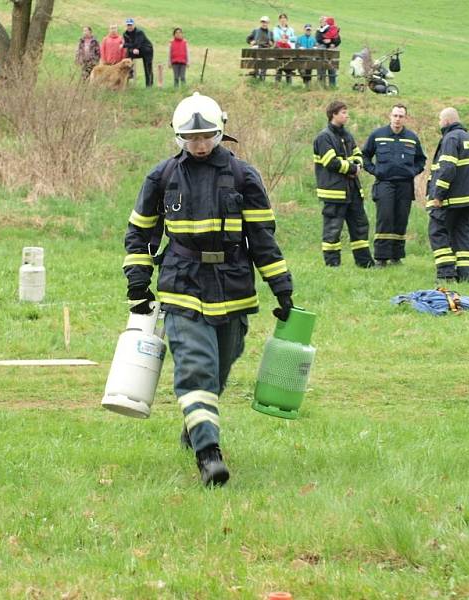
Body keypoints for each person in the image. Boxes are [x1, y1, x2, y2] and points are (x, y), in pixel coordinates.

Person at [123, 92, 293, 487]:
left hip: (233, 284)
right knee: (196, 366)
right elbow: (140, 233)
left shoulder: (243, 176)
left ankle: (196, 421)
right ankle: (209, 454)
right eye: (190, 139)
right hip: (182, 283)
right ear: (178, 137)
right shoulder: (161, 177)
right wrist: (137, 283)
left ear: (221, 133)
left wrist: (281, 287)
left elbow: (262, 237)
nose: (199, 145)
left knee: (222, 363)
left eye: (206, 137)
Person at [425, 107, 469, 283]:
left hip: (451, 199)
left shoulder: (450, 138)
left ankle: (446, 274)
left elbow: (447, 167)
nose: (439, 123)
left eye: (439, 120)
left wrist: (438, 195)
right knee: (462, 236)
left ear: (446, 121)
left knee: (437, 231)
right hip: (468, 200)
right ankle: (465, 275)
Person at [361, 104, 426, 267]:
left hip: (405, 184)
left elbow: (421, 160)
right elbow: (365, 155)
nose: (397, 119)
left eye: (401, 116)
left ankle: (396, 256)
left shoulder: (412, 137)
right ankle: (381, 258)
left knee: (401, 219)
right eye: (395, 115)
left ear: (406, 118)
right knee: (385, 218)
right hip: (385, 183)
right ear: (390, 116)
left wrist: (413, 171)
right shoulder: (378, 135)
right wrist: (374, 170)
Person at [313, 100, 373, 268]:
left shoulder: (347, 135)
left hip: (352, 191)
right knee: (333, 229)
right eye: (344, 112)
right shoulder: (324, 137)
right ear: (334, 114)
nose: (347, 115)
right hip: (334, 193)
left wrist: (356, 164)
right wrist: (353, 168)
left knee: (360, 227)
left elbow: (358, 155)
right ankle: (332, 264)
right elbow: (330, 162)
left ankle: (365, 263)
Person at [123, 18, 153, 87]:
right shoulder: (125, 34)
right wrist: (132, 48)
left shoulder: (139, 32)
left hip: (146, 49)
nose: (129, 27)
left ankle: (149, 85)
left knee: (147, 66)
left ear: (134, 25)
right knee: (128, 56)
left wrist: (126, 45)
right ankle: (129, 74)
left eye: (131, 25)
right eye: (128, 25)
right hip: (135, 49)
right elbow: (128, 45)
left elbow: (137, 43)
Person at [246, 16, 273, 81]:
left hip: (265, 51)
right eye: (263, 22)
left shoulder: (270, 32)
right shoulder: (255, 31)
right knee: (257, 60)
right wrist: (251, 42)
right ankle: (256, 74)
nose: (264, 24)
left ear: (268, 23)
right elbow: (248, 39)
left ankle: (262, 79)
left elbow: (272, 42)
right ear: (260, 23)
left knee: (264, 63)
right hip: (257, 49)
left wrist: (271, 43)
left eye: (266, 22)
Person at [315, 16, 340, 87]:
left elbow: (338, 40)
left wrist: (331, 41)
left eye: (325, 21)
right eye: (322, 21)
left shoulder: (332, 29)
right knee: (321, 69)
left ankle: (332, 86)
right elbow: (318, 39)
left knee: (331, 69)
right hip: (322, 54)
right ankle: (321, 86)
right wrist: (326, 41)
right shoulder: (319, 30)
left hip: (330, 54)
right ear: (320, 23)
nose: (324, 23)